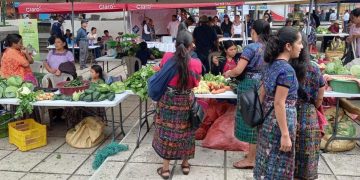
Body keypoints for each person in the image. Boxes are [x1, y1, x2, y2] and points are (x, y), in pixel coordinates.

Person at [253, 27, 303, 179]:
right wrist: (286, 134)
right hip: (280, 121)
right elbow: (279, 103)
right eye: (299, 43)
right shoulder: (287, 70)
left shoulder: (270, 64)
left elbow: (261, 94)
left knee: (265, 161)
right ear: (288, 46)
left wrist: (259, 121)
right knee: (279, 163)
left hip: (268, 120)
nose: (301, 47)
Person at [153, 30, 202, 179]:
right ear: (191, 45)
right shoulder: (196, 63)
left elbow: (161, 72)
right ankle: (185, 165)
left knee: (167, 133)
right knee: (187, 132)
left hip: (168, 100)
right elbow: (196, 83)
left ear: (175, 44)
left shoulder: (168, 57)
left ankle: (166, 169)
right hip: (186, 101)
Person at [223, 20, 271, 169]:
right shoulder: (270, 47)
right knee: (258, 120)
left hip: (250, 86)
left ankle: (251, 160)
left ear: (253, 31)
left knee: (251, 121)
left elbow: (238, 70)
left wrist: (228, 73)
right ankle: (254, 154)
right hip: (265, 85)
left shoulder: (251, 48)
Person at [290, 35, 325, 180]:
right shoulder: (314, 68)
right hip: (309, 115)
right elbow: (320, 97)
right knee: (308, 154)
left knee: (288, 155)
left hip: (288, 112)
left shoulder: (285, 66)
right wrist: (313, 106)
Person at [195, 40, 239, 140]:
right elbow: (214, 74)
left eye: (235, 49)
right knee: (217, 104)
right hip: (222, 86)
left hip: (234, 86)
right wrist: (216, 65)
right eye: (231, 49)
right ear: (225, 50)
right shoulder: (220, 59)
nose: (234, 51)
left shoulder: (238, 59)